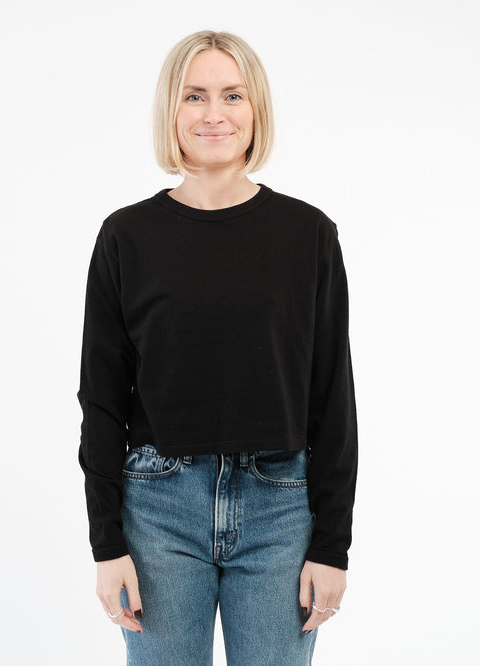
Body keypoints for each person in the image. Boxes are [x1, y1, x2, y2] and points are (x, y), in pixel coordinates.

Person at [76, 29, 358, 665]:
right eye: (194, 95)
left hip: (280, 508)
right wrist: (107, 544)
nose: (213, 114)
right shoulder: (126, 237)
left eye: (232, 95)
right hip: (158, 507)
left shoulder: (308, 235)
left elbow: (332, 397)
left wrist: (332, 546)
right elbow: (102, 398)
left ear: (255, 108)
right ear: (170, 110)